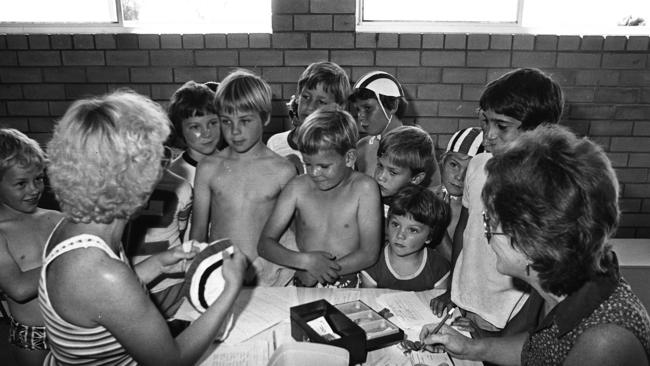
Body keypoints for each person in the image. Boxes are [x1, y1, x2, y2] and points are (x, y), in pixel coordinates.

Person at [41, 90, 247, 365]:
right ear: (129, 176)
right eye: (157, 162)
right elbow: (170, 361)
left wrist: (159, 263)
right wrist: (230, 290)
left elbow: (107, 299)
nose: (160, 174)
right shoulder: (101, 271)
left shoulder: (78, 227)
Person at [421, 125, 650, 366]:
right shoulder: (569, 288)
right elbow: (540, 350)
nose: (485, 233)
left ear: (529, 242)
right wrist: (470, 348)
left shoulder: (604, 345)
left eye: (489, 221)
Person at [431, 68, 564, 338]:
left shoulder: (546, 188)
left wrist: (519, 330)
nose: (487, 136)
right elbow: (465, 232)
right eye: (485, 122)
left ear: (539, 130)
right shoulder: (478, 166)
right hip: (470, 296)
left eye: (502, 126)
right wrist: (454, 291)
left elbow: (543, 272)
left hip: (511, 310)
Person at [190, 69, 297, 286]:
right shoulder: (208, 168)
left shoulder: (283, 170)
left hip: (265, 279)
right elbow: (198, 232)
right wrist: (195, 274)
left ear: (265, 117)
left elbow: (294, 234)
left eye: (245, 121)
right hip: (218, 274)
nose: (235, 131)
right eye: (226, 121)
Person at [258, 107, 382, 288]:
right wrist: (306, 263)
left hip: (347, 276)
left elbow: (369, 253)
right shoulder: (297, 188)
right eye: (308, 164)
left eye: (324, 166)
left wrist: (323, 271)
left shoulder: (364, 189)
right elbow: (265, 244)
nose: (314, 173)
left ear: (349, 158)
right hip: (303, 275)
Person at [0, 129, 63, 366]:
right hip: (33, 336)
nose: (34, 189)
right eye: (21, 183)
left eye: (38, 178)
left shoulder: (56, 218)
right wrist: (68, 262)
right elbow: (18, 288)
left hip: (72, 327)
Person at [126, 147, 193, 320]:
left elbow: (180, 230)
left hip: (169, 281)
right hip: (128, 280)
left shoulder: (182, 186)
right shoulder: (118, 188)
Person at [350, 70, 441, 186]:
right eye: (358, 109)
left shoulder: (417, 145)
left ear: (393, 105)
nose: (360, 116)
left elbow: (434, 192)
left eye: (367, 108)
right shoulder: (362, 147)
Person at [361, 184, 450, 291]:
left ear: (429, 237)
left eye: (413, 230)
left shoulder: (438, 268)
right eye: (395, 224)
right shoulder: (373, 263)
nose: (400, 235)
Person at [267, 61, 351, 174]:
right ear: (297, 96)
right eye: (306, 97)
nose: (310, 106)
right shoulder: (275, 143)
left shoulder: (341, 150)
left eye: (321, 101)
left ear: (339, 108)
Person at [433, 127, 484, 246]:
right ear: (443, 162)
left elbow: (455, 263)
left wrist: (437, 224)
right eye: (454, 165)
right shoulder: (423, 198)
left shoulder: (477, 213)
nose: (459, 177)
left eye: (469, 171)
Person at [167, 80, 222, 186]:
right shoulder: (174, 176)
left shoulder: (238, 165)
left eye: (212, 123)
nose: (207, 133)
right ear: (180, 129)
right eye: (195, 127)